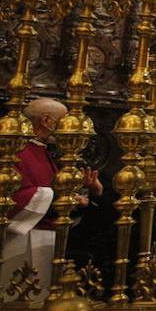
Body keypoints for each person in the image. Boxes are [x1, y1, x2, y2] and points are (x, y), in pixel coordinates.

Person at [3, 98, 103, 296]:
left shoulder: (42, 150)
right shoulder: (15, 150)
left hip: (46, 236)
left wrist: (86, 194)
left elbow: (48, 192)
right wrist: (63, 197)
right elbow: (14, 196)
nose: (68, 128)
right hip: (21, 240)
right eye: (64, 122)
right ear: (47, 120)